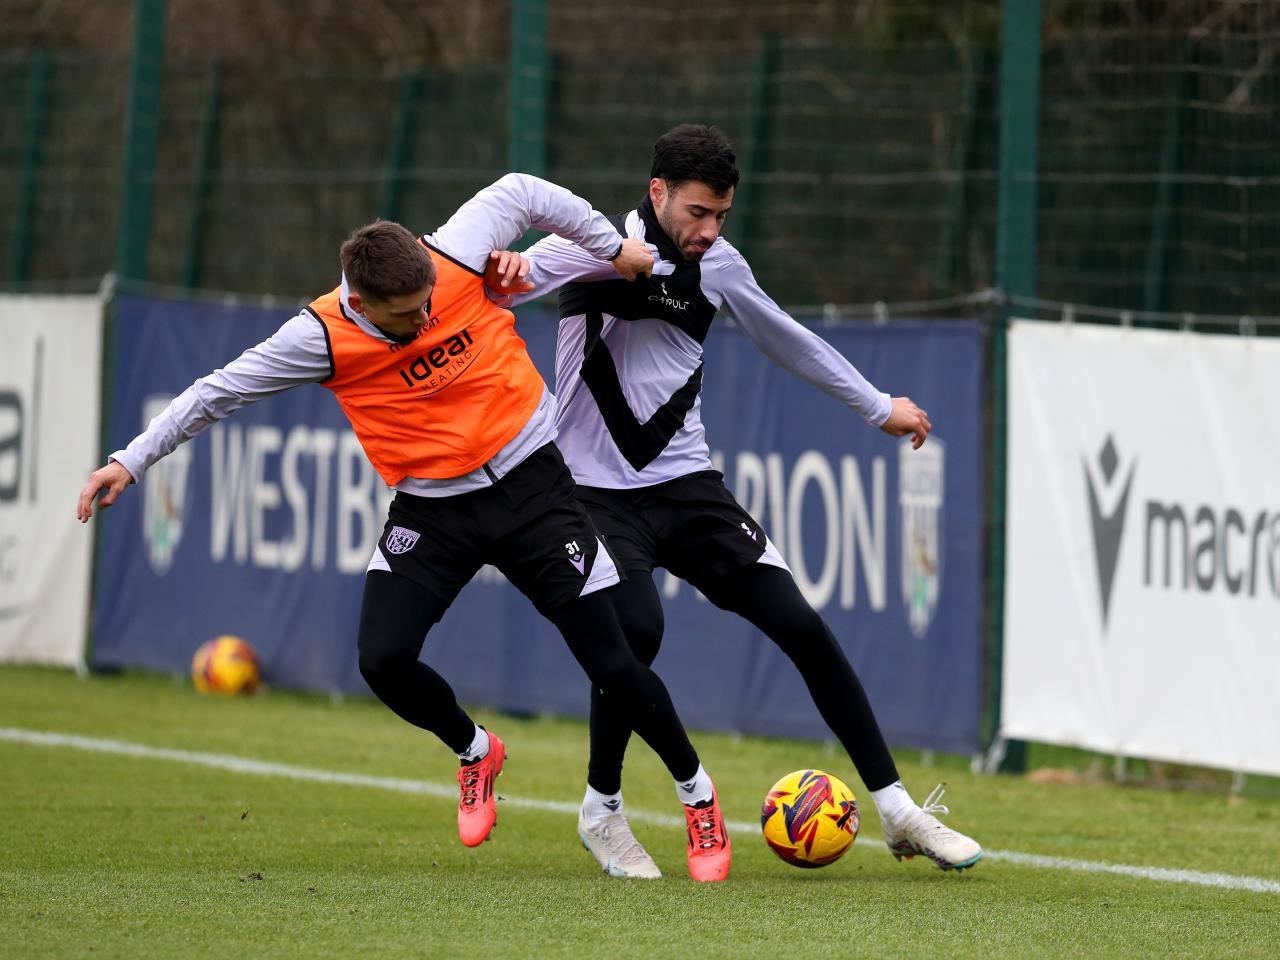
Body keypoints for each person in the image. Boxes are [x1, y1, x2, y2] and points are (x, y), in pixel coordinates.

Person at [76, 173, 732, 882]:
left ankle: (698, 796)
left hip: (533, 486)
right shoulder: (319, 335)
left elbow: (523, 190)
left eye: (429, 306)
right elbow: (217, 391)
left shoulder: (453, 252)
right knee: (382, 659)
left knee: (612, 660)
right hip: (434, 509)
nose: (425, 323)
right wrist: (130, 461)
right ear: (359, 302)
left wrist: (612, 247)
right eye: (405, 317)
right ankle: (475, 750)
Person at [489, 125, 982, 879]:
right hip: (591, 494)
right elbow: (500, 282)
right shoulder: (591, 248)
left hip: (688, 490)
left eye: (721, 214)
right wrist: (504, 266)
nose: (709, 230)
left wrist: (879, 405)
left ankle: (898, 810)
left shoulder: (718, 266)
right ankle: (603, 809)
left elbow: (787, 339)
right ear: (657, 194)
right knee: (638, 631)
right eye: (697, 212)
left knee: (802, 627)